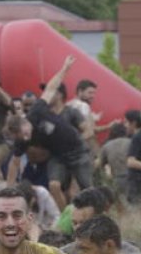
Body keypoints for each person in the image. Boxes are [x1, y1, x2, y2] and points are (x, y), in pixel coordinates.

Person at [25, 56, 93, 209]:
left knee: (86, 189)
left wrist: (76, 141)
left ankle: (95, 216)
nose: (47, 95)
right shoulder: (43, 113)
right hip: (57, 156)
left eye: (52, 93)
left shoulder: (72, 112)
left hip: (77, 153)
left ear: (60, 94)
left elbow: (88, 131)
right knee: (54, 185)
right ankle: (64, 219)